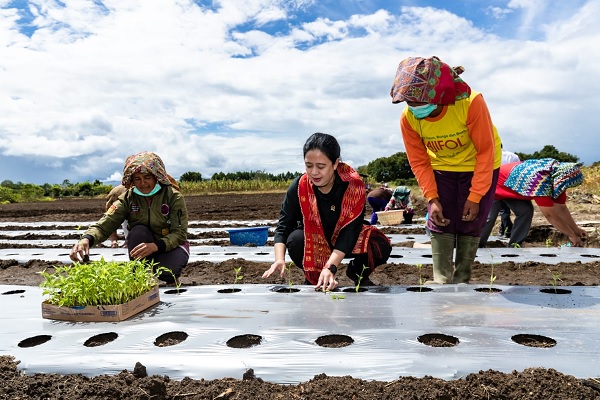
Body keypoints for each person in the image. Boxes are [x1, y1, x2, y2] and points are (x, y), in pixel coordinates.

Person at [390, 56, 502, 284]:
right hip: (440, 167)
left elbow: (485, 152)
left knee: (472, 218)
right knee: (440, 218)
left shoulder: (470, 103)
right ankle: (442, 278)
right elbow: (419, 161)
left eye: (420, 102)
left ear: (440, 94)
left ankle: (462, 278)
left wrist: (476, 195)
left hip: (479, 165)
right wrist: (431, 198)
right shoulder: (409, 118)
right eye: (410, 103)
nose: (416, 108)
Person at [262, 133, 392, 291]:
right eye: (309, 166)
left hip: (345, 238)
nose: (314, 172)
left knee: (379, 244)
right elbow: (284, 225)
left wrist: (331, 267)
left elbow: (350, 231)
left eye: (321, 166)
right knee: (295, 240)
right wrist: (279, 259)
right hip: (313, 239)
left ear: (335, 163)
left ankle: (357, 273)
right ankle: (315, 279)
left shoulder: (353, 187)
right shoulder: (299, 187)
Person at [70, 151, 190, 283]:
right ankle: (141, 275)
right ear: (131, 180)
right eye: (137, 179)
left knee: (168, 273)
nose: (143, 183)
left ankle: (167, 271)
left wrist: (156, 246)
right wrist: (87, 239)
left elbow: (179, 233)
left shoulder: (173, 197)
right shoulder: (128, 198)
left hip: (170, 245)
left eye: (147, 177)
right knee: (138, 230)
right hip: (143, 244)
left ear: (157, 176)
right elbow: (106, 223)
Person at [479, 158, 586, 247]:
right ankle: (476, 245)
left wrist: (575, 229)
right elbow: (550, 214)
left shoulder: (558, 181)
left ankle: (515, 244)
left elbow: (561, 208)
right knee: (489, 217)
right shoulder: (540, 180)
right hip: (493, 183)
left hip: (513, 189)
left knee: (525, 211)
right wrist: (570, 234)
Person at [497, 148, 521, 237]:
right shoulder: (513, 156)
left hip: (497, 185)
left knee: (503, 210)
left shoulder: (492, 155)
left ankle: (508, 230)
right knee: (506, 209)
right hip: (510, 185)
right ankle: (504, 229)